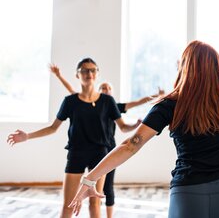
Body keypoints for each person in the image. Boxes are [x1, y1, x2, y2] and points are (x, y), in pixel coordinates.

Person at [68, 0, 219, 218]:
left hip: (187, 190)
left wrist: (90, 177)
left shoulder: (169, 104)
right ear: (215, 66)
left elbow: (131, 144)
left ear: (184, 67)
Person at [7, 58, 141, 218]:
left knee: (95, 202)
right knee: (69, 204)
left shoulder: (108, 101)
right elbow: (53, 128)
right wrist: (27, 136)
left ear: (97, 73)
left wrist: (139, 125)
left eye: (92, 70)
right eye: (84, 70)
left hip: (100, 154)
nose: (89, 73)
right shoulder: (70, 102)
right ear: (78, 75)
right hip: (77, 153)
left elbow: (123, 127)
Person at [49, 64, 164, 218]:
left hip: (109, 151)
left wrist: (156, 97)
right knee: (93, 192)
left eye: (108, 88)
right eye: (103, 88)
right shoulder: (84, 101)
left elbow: (136, 104)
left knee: (106, 190)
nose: (105, 90)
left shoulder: (113, 105)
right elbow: (72, 91)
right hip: (88, 151)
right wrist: (59, 75)